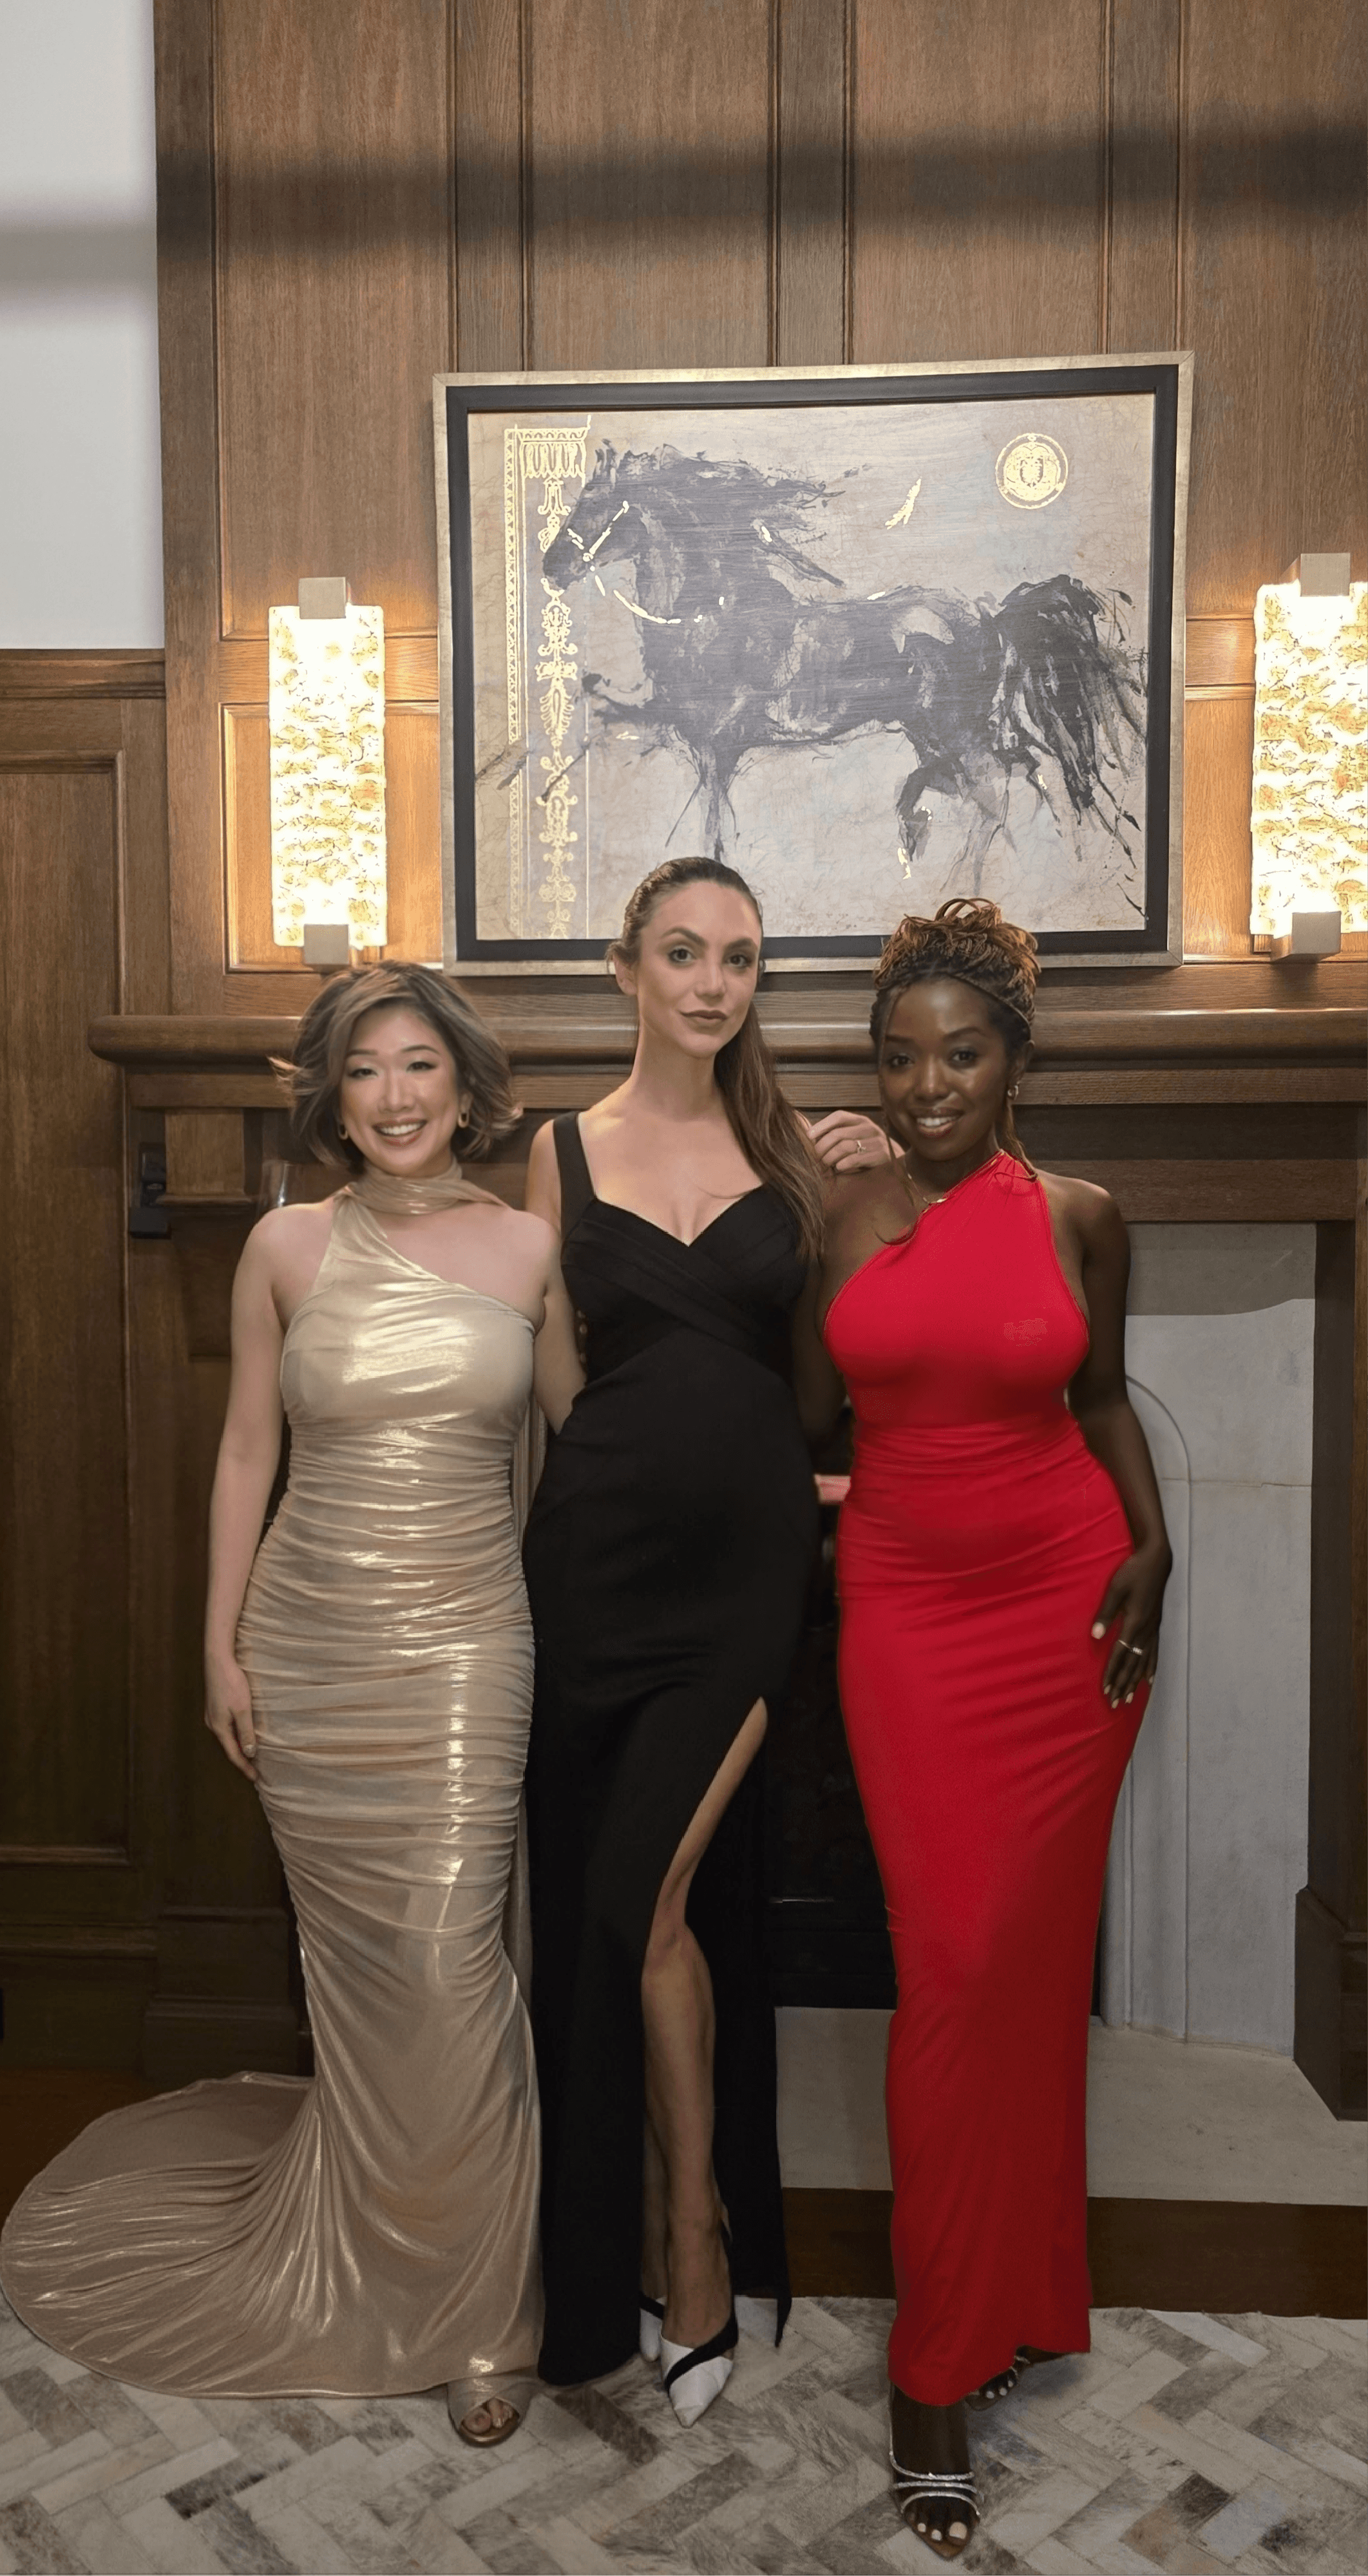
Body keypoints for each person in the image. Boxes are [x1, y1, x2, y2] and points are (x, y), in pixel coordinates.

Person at [0, 963, 582, 2446]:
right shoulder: (280, 1243)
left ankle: (477, 2310)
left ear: (465, 1082)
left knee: (449, 1955)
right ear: (334, 1095)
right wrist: (220, 1647)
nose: (393, 1096)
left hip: (466, 1645)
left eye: (418, 1067)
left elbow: (590, 1452)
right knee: (365, 1970)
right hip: (310, 1637)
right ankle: (391, 2255)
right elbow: (248, 1451)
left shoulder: (529, 1246)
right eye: (364, 1071)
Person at [793, 898, 1171, 2560]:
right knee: (948, 1961)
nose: (929, 1082)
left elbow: (1099, 1401)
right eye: (900, 1053)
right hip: (906, 1623)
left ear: (1017, 1058)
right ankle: (930, 2368)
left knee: (1020, 1975)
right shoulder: (839, 1218)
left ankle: (1007, 2298)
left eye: (960, 1051)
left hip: (1065, 1610)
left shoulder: (1085, 1216)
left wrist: (1157, 1541)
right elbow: (809, 1424)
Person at [521, 853, 887, 2427]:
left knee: (645, 1887)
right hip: (594, 1560)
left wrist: (852, 1480)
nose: (713, 982)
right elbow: (551, 1380)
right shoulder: (555, 1150)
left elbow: (858, 1353)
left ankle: (691, 2238)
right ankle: (649, 2236)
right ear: (628, 968)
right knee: (617, 1916)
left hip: (745, 1569)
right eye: (684, 951)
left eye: (739, 957)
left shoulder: (801, 1152)